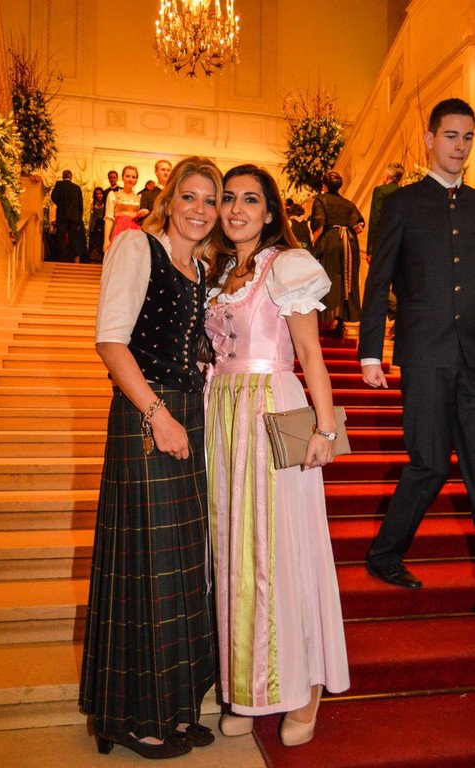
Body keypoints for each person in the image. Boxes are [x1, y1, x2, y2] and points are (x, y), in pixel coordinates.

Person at [79, 156, 223, 758]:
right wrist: (157, 415)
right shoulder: (138, 247)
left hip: (187, 414)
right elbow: (111, 341)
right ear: (169, 199)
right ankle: (134, 716)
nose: (199, 209)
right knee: (148, 563)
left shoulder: (201, 267)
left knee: (183, 567)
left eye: (210, 200)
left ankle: (176, 707)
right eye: (189, 196)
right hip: (148, 413)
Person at [205, 164, 349, 748]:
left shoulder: (287, 265)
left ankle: (304, 686)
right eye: (228, 198)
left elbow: (310, 353)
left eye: (251, 199)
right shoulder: (219, 273)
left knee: (283, 553)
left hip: (270, 409)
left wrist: (325, 427)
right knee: (236, 554)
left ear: (270, 212)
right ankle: (250, 686)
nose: (237, 209)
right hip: (223, 418)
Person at [358, 97, 475, 589]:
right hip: (425, 354)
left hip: (473, 355)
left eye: (468, 138)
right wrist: (370, 351)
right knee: (429, 464)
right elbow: (379, 279)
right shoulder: (402, 203)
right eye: (451, 136)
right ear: (430, 140)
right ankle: (384, 555)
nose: (460, 146)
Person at [311, 171, 364, 336]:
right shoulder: (348, 203)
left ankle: (328, 318)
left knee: (330, 278)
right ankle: (340, 322)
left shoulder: (320, 200)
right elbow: (359, 227)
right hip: (349, 243)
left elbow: (319, 224)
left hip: (331, 241)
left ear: (324, 186)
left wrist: (314, 243)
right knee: (346, 280)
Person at [366, 162, 405, 336]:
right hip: (402, 245)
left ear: (388, 175)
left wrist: (370, 249)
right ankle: (399, 320)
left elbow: (375, 219)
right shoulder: (405, 192)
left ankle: (399, 313)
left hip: (384, 244)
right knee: (398, 284)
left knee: (377, 283)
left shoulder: (380, 191)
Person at [103, 165, 143, 252]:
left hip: (135, 231)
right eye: (127, 176)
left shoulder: (139, 197)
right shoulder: (113, 195)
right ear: (122, 177)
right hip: (119, 230)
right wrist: (106, 239)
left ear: (136, 180)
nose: (130, 179)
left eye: (133, 177)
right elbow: (109, 218)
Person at [50, 170, 87, 263]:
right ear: (71, 177)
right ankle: (71, 259)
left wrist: (61, 204)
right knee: (73, 239)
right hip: (74, 218)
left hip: (62, 215)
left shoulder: (59, 184)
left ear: (63, 176)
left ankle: (61, 259)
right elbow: (80, 205)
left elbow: (53, 197)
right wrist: (79, 219)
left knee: (60, 238)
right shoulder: (77, 188)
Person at [87, 186, 105, 264]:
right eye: (97, 194)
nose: (99, 195)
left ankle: (101, 260)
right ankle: (93, 260)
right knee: (94, 242)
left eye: (100, 193)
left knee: (101, 242)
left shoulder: (105, 204)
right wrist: (90, 228)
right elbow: (91, 216)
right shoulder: (93, 203)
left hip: (103, 225)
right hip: (95, 225)